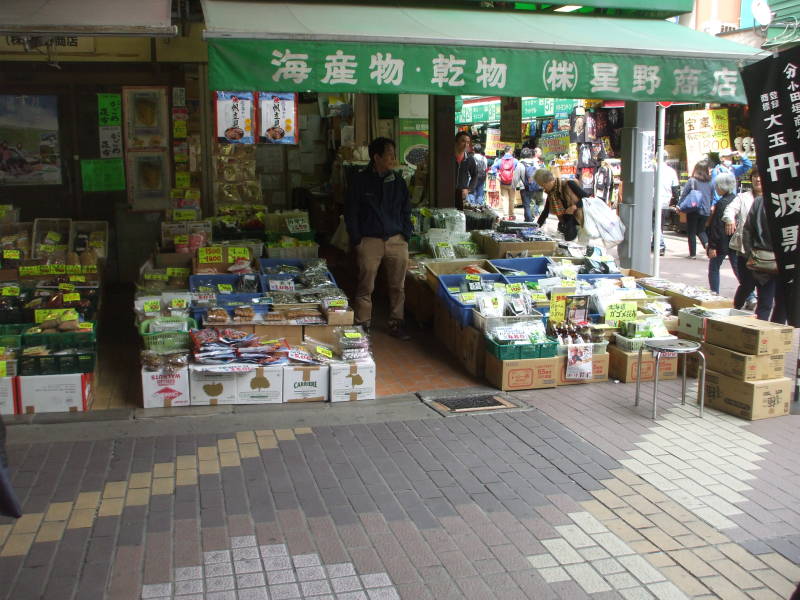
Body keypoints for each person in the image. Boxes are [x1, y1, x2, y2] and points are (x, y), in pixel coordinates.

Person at [345, 137, 412, 340]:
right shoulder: (360, 181)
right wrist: (357, 239)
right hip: (369, 240)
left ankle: (396, 323)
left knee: (397, 285)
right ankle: (363, 323)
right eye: (389, 154)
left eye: (393, 154)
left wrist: (405, 233)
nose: (393, 158)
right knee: (366, 285)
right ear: (376, 157)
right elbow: (351, 212)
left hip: (396, 240)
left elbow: (406, 210)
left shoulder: (398, 181)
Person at [733, 170, 780, 321]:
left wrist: (750, 253)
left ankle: (764, 335)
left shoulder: (760, 201)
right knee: (769, 301)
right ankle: (766, 336)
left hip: (759, 259)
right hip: (772, 262)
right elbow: (748, 230)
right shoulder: (760, 201)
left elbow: (748, 230)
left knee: (762, 298)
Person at [723, 169, 758, 311]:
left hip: (766, 249)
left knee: (765, 286)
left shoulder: (774, 197)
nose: (758, 180)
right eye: (755, 176)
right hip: (745, 248)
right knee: (747, 283)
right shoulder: (743, 197)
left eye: (761, 176)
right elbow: (730, 209)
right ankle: (737, 307)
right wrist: (729, 219)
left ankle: (761, 316)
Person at [705, 172, 738, 294]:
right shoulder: (736, 199)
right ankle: (750, 295)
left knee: (714, 268)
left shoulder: (721, 203)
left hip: (721, 243)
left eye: (717, 185)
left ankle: (714, 293)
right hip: (734, 242)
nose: (716, 188)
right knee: (737, 268)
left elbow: (716, 227)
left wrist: (712, 245)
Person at [534, 168, 586, 242]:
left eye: (543, 185)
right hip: (567, 225)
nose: (543, 188)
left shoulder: (569, 184)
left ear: (549, 181)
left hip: (580, 222)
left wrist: (575, 206)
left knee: (581, 248)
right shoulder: (551, 194)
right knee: (568, 247)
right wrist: (536, 227)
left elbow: (587, 198)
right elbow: (545, 212)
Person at [675, 159, 712, 259]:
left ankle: (692, 254)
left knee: (691, 231)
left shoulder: (692, 181)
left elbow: (684, 194)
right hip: (706, 210)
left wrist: (679, 206)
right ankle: (707, 244)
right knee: (701, 230)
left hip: (694, 209)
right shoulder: (710, 182)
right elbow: (712, 196)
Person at [491, 145, 519, 220]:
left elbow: (493, 167)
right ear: (510, 151)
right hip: (512, 183)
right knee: (512, 199)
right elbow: (518, 170)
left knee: (505, 199)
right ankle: (511, 215)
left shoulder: (500, 161)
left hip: (503, 182)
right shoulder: (515, 161)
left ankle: (505, 215)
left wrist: (496, 175)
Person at [515, 147, 542, 222]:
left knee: (526, 205)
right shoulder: (535, 162)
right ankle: (528, 218)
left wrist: (513, 186)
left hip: (524, 187)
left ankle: (529, 220)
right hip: (534, 186)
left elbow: (516, 177)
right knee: (532, 203)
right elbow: (539, 173)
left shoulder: (520, 164)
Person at [454, 132, 477, 210]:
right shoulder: (448, 157)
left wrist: (468, 189)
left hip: (461, 195)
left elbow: (475, 175)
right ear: (456, 142)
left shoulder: (470, 159)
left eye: (468, 142)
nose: (466, 145)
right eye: (463, 141)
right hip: (447, 193)